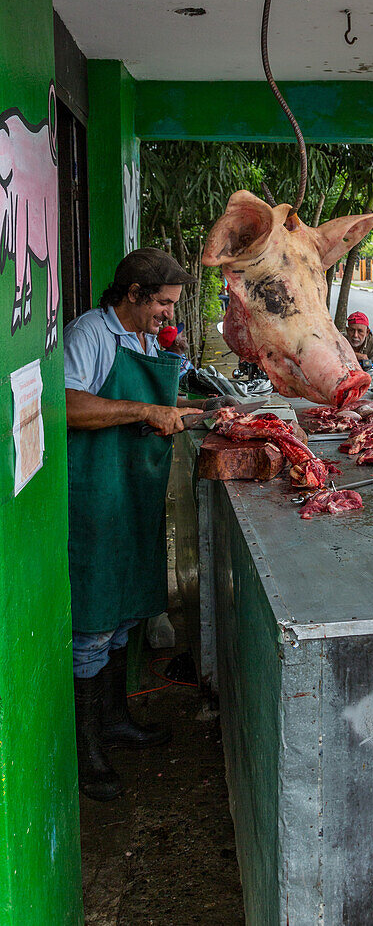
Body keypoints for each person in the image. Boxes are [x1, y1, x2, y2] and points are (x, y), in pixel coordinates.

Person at [64, 247, 204, 801]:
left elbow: (158, 397)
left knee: (122, 618)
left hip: (133, 495)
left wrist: (190, 408)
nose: (169, 315)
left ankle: (117, 720)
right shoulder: (90, 335)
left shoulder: (142, 338)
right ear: (132, 295)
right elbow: (68, 404)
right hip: (97, 495)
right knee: (94, 621)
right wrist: (144, 411)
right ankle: (88, 751)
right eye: (163, 304)